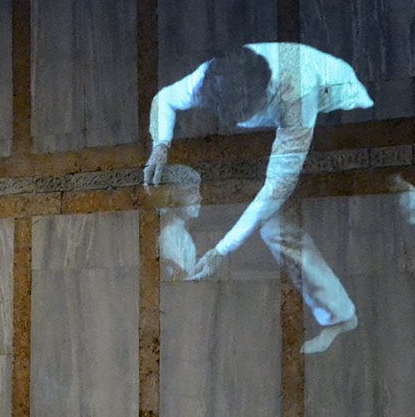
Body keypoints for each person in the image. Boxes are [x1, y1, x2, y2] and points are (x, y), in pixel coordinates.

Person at [144, 42, 374, 353]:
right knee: (270, 224)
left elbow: (276, 189)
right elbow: (165, 99)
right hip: (292, 118)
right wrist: (160, 145)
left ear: (262, 95)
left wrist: (221, 250)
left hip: (346, 104)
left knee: (273, 224)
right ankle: (340, 315)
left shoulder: (296, 95)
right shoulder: (210, 78)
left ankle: (339, 318)